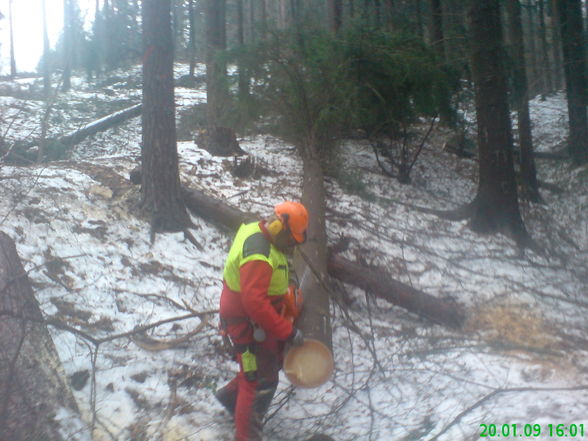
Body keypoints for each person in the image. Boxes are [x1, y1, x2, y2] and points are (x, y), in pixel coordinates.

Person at [215, 201, 308, 441]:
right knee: (258, 380)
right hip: (246, 321)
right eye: (291, 240)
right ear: (279, 228)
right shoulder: (259, 253)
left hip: (254, 318)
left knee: (265, 365)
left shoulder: (256, 230)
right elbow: (254, 303)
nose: (291, 246)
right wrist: (286, 331)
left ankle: (229, 398)